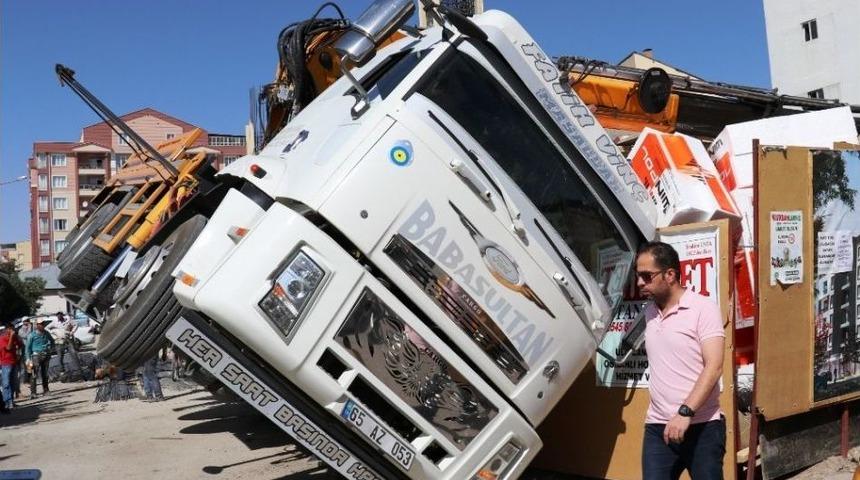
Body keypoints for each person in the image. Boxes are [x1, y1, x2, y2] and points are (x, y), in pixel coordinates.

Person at [636, 241, 726, 480]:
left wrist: (685, 413)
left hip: (701, 427)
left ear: (670, 275)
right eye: (638, 276)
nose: (639, 283)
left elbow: (714, 366)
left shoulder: (703, 309)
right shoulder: (650, 312)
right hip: (658, 428)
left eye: (646, 276)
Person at [25, 320, 55, 399]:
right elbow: (27, 347)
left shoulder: (46, 333)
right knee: (34, 374)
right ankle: (33, 393)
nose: (42, 325)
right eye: (40, 324)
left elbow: (52, 341)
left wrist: (50, 349)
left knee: (45, 374)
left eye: (43, 324)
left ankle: (46, 390)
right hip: (35, 356)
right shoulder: (32, 335)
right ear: (37, 325)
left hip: (45, 355)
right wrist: (28, 358)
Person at [1, 323, 23, 413]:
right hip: (5, 363)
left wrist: (17, 337)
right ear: (7, 330)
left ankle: (11, 401)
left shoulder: (14, 337)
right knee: (6, 384)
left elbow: (20, 345)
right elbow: (9, 348)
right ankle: (7, 402)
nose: (12, 331)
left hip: (14, 362)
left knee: (13, 383)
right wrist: (11, 337)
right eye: (11, 330)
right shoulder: (2, 338)